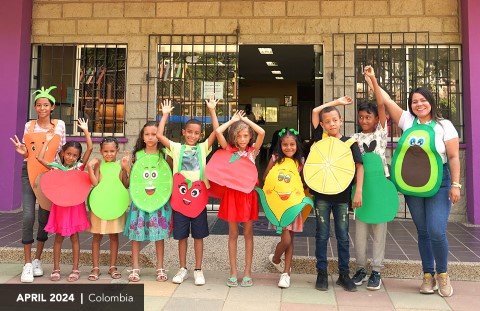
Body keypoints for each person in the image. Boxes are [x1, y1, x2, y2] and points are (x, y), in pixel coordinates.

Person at [375, 75, 460, 297]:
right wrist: (373, 79)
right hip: (412, 185)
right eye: (414, 101)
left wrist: (456, 185)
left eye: (422, 100)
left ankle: (442, 274)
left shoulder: (445, 126)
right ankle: (427, 274)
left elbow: (453, 157)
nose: (419, 104)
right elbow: (385, 99)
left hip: (439, 184)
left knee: (436, 230)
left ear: (431, 101)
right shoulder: (407, 121)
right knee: (423, 231)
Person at [156, 96, 220, 286]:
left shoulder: (202, 148)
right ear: (184, 132)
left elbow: (216, 133)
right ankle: (182, 268)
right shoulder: (176, 148)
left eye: (196, 133)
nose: (192, 135)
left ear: (200, 135)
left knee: (198, 236)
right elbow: (159, 136)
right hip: (180, 199)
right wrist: (165, 115)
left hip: (198, 199)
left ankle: (198, 269)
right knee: (181, 236)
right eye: (189, 132)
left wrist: (212, 111)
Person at [10, 86, 66, 283]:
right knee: (28, 216)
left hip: (49, 173)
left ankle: (37, 260)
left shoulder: (59, 125)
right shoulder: (29, 125)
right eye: (39, 105)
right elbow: (29, 151)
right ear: (35, 107)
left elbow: (59, 152)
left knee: (44, 216)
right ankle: (26, 264)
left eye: (46, 105)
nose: (42, 108)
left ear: (52, 107)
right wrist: (23, 152)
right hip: (29, 172)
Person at [311, 96, 363, 292]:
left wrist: (357, 191)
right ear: (322, 125)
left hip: (342, 197)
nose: (331, 124)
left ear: (341, 121)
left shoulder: (350, 142)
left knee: (342, 236)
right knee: (321, 236)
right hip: (322, 196)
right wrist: (336, 102)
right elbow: (316, 111)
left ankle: (344, 274)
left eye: (335, 120)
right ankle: (321, 274)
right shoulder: (320, 139)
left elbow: (359, 166)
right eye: (327, 121)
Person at [37, 118, 93, 282]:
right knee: (59, 237)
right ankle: (56, 269)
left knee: (75, 237)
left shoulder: (79, 167)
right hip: (59, 207)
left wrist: (86, 131)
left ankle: (75, 269)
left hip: (75, 206)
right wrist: (47, 142)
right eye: (68, 154)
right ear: (62, 153)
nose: (71, 157)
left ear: (78, 157)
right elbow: (40, 159)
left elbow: (90, 148)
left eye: (75, 155)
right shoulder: (56, 167)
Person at [215, 110, 265, 287]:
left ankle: (247, 272)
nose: (242, 139)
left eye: (245, 136)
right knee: (233, 234)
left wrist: (245, 120)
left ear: (249, 136)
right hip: (232, 195)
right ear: (234, 138)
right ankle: (233, 272)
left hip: (248, 195)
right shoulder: (229, 150)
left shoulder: (253, 152)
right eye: (239, 136)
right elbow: (218, 132)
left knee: (248, 233)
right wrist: (233, 121)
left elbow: (262, 133)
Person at [350, 66, 389, 290]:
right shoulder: (355, 138)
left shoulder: (380, 133)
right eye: (361, 117)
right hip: (362, 188)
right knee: (361, 231)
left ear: (376, 119)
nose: (365, 120)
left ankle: (377, 270)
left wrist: (373, 79)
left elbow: (382, 103)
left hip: (380, 188)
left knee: (379, 230)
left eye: (369, 117)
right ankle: (361, 268)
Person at [123, 121, 172, 282]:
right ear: (142, 137)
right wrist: (126, 168)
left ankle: (160, 267)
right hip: (140, 202)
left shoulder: (164, 154)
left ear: (159, 136)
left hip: (159, 202)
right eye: (147, 134)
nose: (150, 137)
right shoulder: (137, 155)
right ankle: (135, 268)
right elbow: (132, 181)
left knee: (159, 236)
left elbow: (168, 179)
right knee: (136, 236)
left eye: (154, 134)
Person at [264, 128, 305, 288]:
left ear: (297, 145)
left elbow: (303, 181)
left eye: (292, 144)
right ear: (280, 145)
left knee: (291, 240)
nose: (288, 148)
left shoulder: (300, 162)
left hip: (294, 205)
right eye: (285, 145)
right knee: (286, 239)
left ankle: (286, 273)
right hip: (279, 207)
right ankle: (275, 258)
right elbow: (266, 177)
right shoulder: (275, 159)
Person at [86, 137, 129, 281]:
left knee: (113, 236)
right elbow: (95, 183)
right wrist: (90, 168)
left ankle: (113, 266)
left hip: (115, 205)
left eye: (112, 151)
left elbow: (125, 184)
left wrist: (126, 167)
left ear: (117, 150)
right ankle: (96, 267)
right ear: (101, 151)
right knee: (97, 236)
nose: (109, 154)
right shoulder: (99, 164)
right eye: (106, 151)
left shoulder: (119, 164)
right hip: (99, 204)